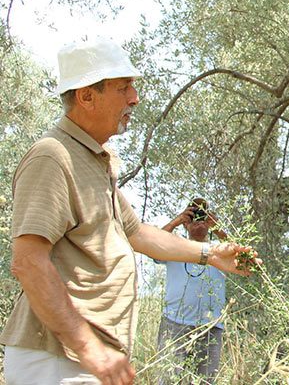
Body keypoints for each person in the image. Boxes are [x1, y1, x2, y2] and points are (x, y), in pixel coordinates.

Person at [0, 38, 260, 385]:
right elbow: (28, 262)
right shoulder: (53, 156)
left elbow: (137, 234)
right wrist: (90, 348)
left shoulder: (93, 162)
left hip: (81, 357)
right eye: (123, 89)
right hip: (58, 359)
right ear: (86, 96)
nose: (134, 99)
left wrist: (211, 253)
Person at [156, 198, 229, 384]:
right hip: (174, 324)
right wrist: (176, 221)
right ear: (186, 223)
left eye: (203, 215)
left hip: (210, 328)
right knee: (167, 380)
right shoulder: (174, 247)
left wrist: (218, 229)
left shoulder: (220, 251)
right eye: (194, 214)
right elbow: (154, 246)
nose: (199, 220)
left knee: (205, 381)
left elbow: (242, 257)